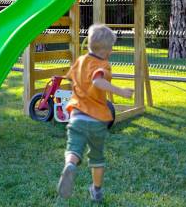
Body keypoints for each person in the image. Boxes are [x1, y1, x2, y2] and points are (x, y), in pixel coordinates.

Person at [57, 24, 134, 202]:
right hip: (97, 120)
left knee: (74, 149)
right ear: (106, 51)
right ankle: (96, 190)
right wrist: (120, 91)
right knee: (97, 157)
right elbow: (97, 80)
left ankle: (70, 165)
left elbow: (74, 78)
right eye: (111, 48)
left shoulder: (80, 61)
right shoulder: (103, 65)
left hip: (76, 117)